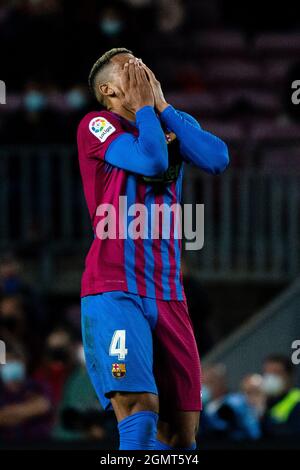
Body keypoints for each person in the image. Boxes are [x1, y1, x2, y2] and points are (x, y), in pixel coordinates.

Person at [77, 47, 229, 450]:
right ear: (108, 89)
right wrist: (149, 111)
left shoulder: (166, 120)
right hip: (114, 289)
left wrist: (161, 105)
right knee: (139, 414)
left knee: (182, 438)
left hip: (168, 293)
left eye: (144, 65)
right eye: (131, 70)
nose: (143, 72)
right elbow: (152, 161)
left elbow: (217, 158)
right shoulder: (98, 124)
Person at [0, 346, 52, 442]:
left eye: (13, 360)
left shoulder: (38, 385)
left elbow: (43, 406)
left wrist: (8, 413)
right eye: (5, 361)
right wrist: (27, 410)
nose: (9, 364)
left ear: (23, 362)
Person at [201, 365, 261, 440]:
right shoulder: (207, 405)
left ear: (221, 381)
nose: (205, 386)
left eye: (210, 382)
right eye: (203, 382)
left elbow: (218, 426)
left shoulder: (235, 401)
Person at [262, 354, 300, 437]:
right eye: (267, 373)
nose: (271, 378)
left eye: (276, 373)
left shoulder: (297, 400)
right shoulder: (266, 400)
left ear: (289, 376)